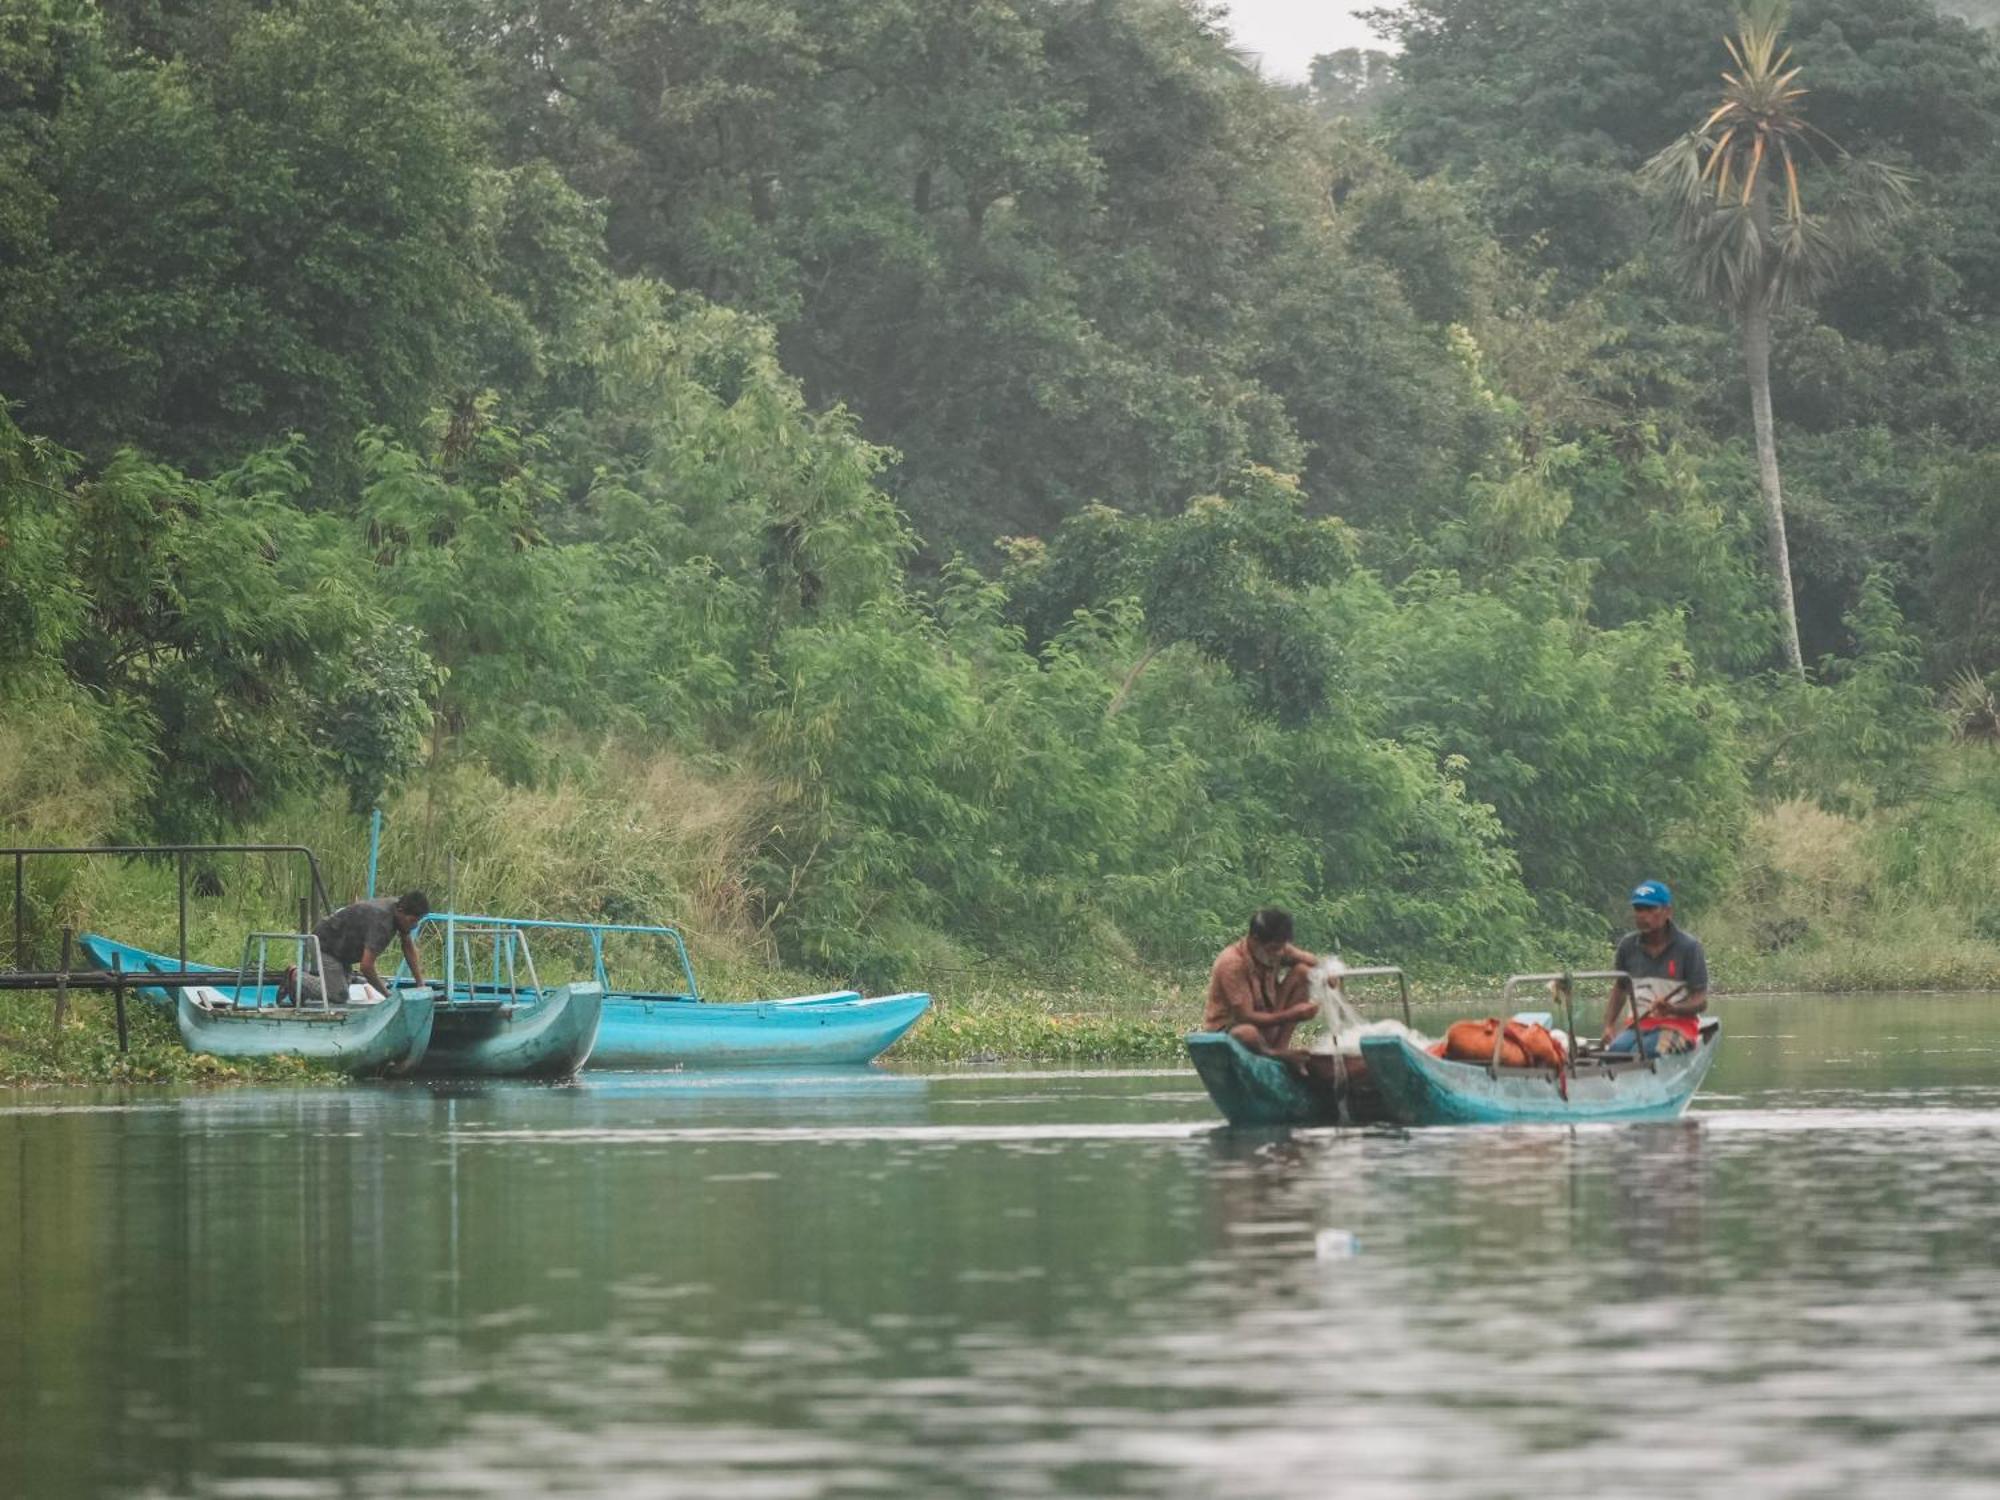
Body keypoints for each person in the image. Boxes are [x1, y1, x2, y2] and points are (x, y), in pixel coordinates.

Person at [1600, 879, 1708, 1057]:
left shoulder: (1688, 948)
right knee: (1615, 1053)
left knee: (1646, 1051)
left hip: (1679, 1026)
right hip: (1638, 1024)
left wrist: (1672, 1009)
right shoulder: (1628, 946)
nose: (1643, 915)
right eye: (1638, 909)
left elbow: (1700, 1001)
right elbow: (1620, 989)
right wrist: (1609, 1026)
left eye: (1651, 909)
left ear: (1667, 912)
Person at [1204, 908, 1321, 1065]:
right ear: (1254, 939)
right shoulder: (1232, 962)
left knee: (1304, 972)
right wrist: (1292, 1014)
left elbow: (1313, 961)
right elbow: (1245, 1016)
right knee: (1247, 1032)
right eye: (1273, 949)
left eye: (1282, 947)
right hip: (1232, 1032)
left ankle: (1281, 1047)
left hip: (1267, 1023)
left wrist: (1327, 973)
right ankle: (1275, 1054)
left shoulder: (1278, 948)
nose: (1279, 953)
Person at [291, 890, 429, 1006]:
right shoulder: (382, 923)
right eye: (412, 921)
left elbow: (408, 946)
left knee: (342, 988)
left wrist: (420, 984)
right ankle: (294, 976)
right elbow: (366, 967)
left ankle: (304, 988)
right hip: (324, 944)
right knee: (339, 996)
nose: (414, 926)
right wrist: (388, 996)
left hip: (343, 950)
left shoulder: (400, 912)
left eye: (417, 921)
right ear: (400, 911)